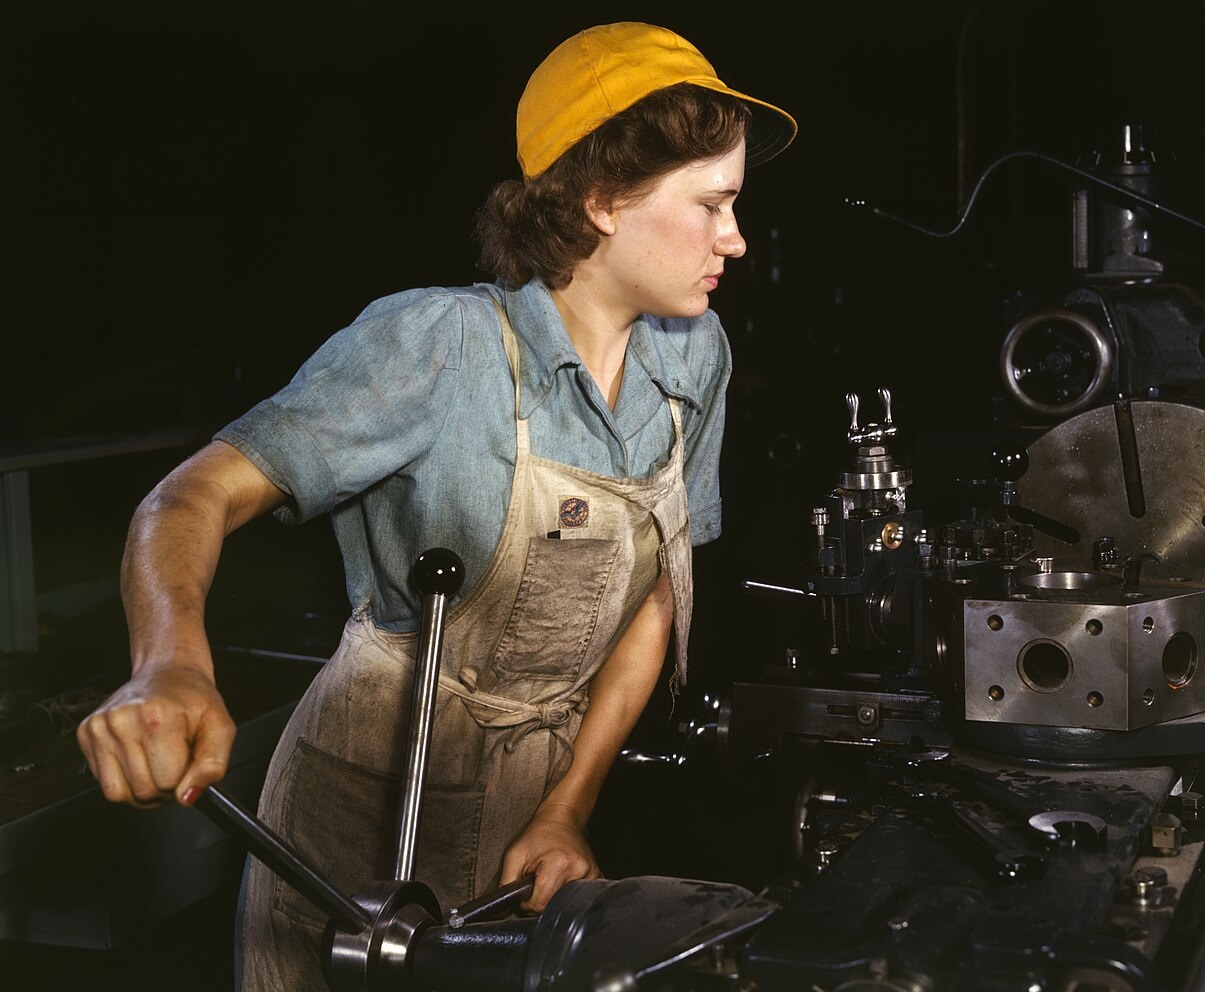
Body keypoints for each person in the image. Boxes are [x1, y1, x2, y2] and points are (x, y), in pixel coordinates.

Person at [76, 20, 795, 990]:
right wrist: (168, 664)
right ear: (599, 202)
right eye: (712, 205)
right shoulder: (440, 346)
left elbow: (657, 592)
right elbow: (188, 495)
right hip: (358, 816)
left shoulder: (690, 356)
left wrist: (568, 807)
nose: (735, 239)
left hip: (527, 809)